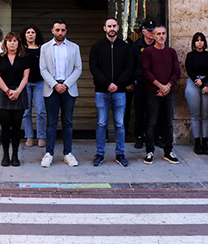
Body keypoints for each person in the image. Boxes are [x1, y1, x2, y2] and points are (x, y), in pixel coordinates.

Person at [89, 17, 132, 167]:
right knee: (101, 123)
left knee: (119, 124)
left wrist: (117, 84)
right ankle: (100, 154)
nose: (112, 28)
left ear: (118, 27)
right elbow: (93, 67)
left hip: (119, 92)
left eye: (114, 26)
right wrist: (107, 84)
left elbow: (129, 67)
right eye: (109, 26)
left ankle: (120, 154)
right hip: (102, 91)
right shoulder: (97, 46)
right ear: (104, 28)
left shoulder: (125, 47)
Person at [39, 19, 82, 167]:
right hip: (51, 88)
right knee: (51, 122)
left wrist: (66, 84)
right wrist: (55, 85)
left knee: (67, 122)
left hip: (69, 88)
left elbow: (78, 68)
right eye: (57, 30)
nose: (60, 32)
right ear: (52, 31)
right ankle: (49, 153)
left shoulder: (74, 47)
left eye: (62, 30)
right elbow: (43, 69)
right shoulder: (45, 47)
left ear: (66, 31)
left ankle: (68, 153)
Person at [141, 24, 181, 165]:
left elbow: (177, 71)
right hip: (152, 93)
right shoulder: (148, 52)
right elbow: (146, 72)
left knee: (168, 123)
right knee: (151, 123)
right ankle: (149, 151)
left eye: (163, 33)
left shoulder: (171, 52)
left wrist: (167, 87)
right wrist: (160, 86)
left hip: (168, 92)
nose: (161, 36)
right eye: (158, 34)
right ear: (153, 36)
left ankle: (168, 151)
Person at [0, 31, 31, 167]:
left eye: (15, 41)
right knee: (5, 127)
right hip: (4, 93)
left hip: (19, 93)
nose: (12, 43)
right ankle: (5, 155)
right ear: (5, 43)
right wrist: (8, 91)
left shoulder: (24, 58)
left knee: (16, 127)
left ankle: (15, 155)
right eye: (10, 41)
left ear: (18, 43)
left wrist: (17, 92)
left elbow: (25, 77)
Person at [185, 31, 208, 156]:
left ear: (204, 42)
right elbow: (189, 70)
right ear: (194, 43)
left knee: (205, 115)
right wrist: (200, 84)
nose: (199, 42)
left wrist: (203, 82)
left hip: (207, 83)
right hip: (194, 83)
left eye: (201, 40)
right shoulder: (190, 55)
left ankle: (205, 143)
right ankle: (197, 143)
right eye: (197, 40)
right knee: (195, 115)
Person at [129, 19, 157, 150]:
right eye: (150, 31)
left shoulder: (158, 45)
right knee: (140, 111)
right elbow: (131, 65)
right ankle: (139, 137)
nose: (152, 33)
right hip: (141, 82)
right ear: (144, 32)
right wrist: (130, 82)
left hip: (155, 84)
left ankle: (155, 137)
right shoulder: (136, 47)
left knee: (155, 111)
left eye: (153, 31)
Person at [20, 24, 46, 149]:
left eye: (33, 32)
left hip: (39, 82)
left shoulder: (42, 49)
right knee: (26, 112)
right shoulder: (21, 49)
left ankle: (41, 137)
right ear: (24, 35)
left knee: (40, 111)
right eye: (28, 32)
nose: (30, 34)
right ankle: (29, 136)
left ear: (36, 35)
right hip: (25, 83)